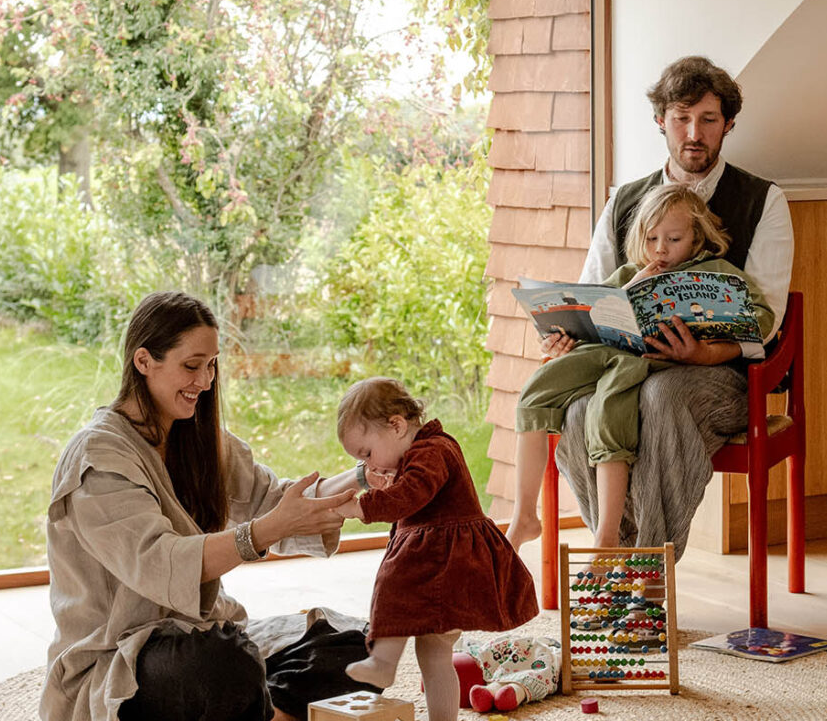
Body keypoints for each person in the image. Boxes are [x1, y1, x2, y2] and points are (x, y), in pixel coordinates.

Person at [42, 291, 374, 721]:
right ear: (144, 361)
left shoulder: (198, 437)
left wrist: (366, 473)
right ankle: (257, 705)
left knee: (361, 643)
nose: (205, 380)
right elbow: (161, 562)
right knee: (218, 664)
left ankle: (259, 710)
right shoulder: (98, 458)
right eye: (191, 366)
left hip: (207, 635)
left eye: (212, 365)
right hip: (123, 659)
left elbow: (274, 501)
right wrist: (267, 530)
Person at [512, 55, 794, 555]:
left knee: (661, 399)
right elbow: (592, 292)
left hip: (721, 376)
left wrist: (705, 354)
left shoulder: (762, 200)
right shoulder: (625, 201)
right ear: (661, 120)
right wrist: (567, 334)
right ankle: (613, 551)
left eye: (709, 119)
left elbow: (765, 318)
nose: (694, 133)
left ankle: (646, 563)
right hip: (624, 363)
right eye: (682, 118)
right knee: (580, 411)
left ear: (728, 124)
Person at [510, 184, 775, 549]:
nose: (661, 249)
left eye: (674, 239)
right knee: (543, 396)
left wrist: (709, 345)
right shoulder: (629, 273)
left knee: (619, 405)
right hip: (610, 355)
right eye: (651, 239)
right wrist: (563, 335)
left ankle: (620, 543)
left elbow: (762, 319)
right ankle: (532, 517)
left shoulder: (719, 273)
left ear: (697, 238)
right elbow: (591, 310)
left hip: (659, 367)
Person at [333, 377, 538, 721]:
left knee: (394, 587)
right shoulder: (420, 452)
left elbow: (411, 495)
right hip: (442, 558)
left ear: (396, 425)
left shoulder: (432, 451)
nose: (369, 466)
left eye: (367, 453)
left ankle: (383, 662)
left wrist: (362, 506)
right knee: (434, 651)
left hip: (449, 562)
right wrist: (386, 482)